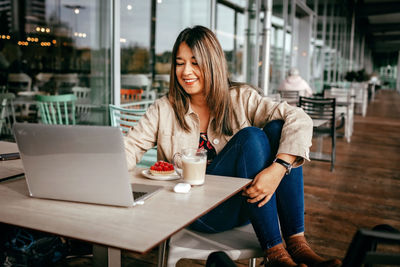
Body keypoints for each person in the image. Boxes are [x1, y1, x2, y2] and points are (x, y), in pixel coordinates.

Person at [124, 26, 341, 267]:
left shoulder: (241, 98)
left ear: (213, 63)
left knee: (278, 129)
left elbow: (299, 118)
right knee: (252, 137)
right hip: (197, 212)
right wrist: (101, 175)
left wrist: (278, 168)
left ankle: (297, 245)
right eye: (179, 63)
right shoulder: (164, 109)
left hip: (245, 203)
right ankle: (276, 254)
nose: (186, 71)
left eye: (195, 63)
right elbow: (129, 148)